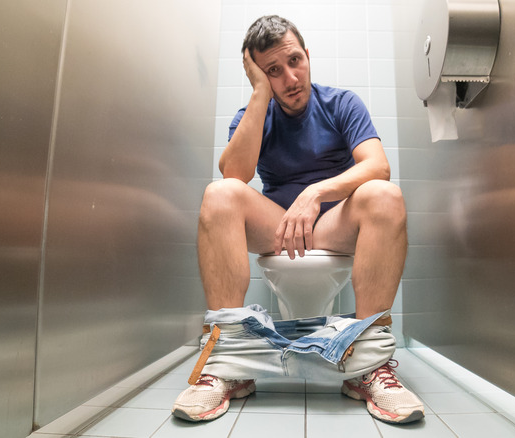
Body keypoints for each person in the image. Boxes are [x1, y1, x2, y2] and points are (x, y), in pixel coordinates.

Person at [172, 15, 424, 424]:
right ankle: (229, 366)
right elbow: (234, 175)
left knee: (384, 195)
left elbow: (377, 166)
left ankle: (368, 366)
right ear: (260, 76)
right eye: (273, 71)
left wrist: (316, 193)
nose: (290, 78)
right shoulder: (255, 113)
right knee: (219, 194)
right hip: (279, 229)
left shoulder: (341, 103)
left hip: (332, 225)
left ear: (307, 55)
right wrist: (259, 96)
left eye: (294, 61)